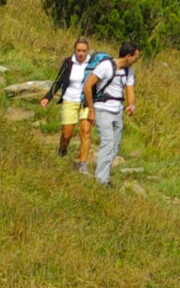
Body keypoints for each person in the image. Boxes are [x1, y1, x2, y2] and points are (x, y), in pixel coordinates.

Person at [88, 42, 141, 184]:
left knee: (115, 147)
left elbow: (130, 89)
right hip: (102, 109)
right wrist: (91, 110)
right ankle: (100, 182)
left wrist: (131, 105)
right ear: (128, 56)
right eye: (136, 57)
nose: (137, 60)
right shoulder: (106, 66)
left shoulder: (128, 71)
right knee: (108, 143)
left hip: (117, 111)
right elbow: (87, 86)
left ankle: (103, 175)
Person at [42, 36, 94, 165]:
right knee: (66, 135)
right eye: (78, 50)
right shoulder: (68, 62)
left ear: (87, 51)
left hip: (86, 102)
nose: (81, 53)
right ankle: (62, 151)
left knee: (85, 132)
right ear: (74, 50)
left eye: (83, 51)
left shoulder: (93, 64)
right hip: (70, 100)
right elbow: (58, 81)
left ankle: (82, 165)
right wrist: (47, 97)